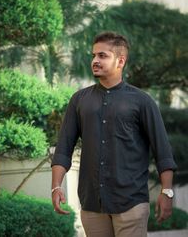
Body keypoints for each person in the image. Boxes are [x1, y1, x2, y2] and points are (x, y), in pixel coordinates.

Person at [51, 31, 177, 237]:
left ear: (120, 61)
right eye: (93, 56)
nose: (95, 61)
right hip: (92, 204)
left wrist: (166, 191)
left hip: (131, 203)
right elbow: (64, 147)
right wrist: (55, 187)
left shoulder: (142, 101)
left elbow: (163, 151)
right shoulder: (79, 100)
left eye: (102, 56)